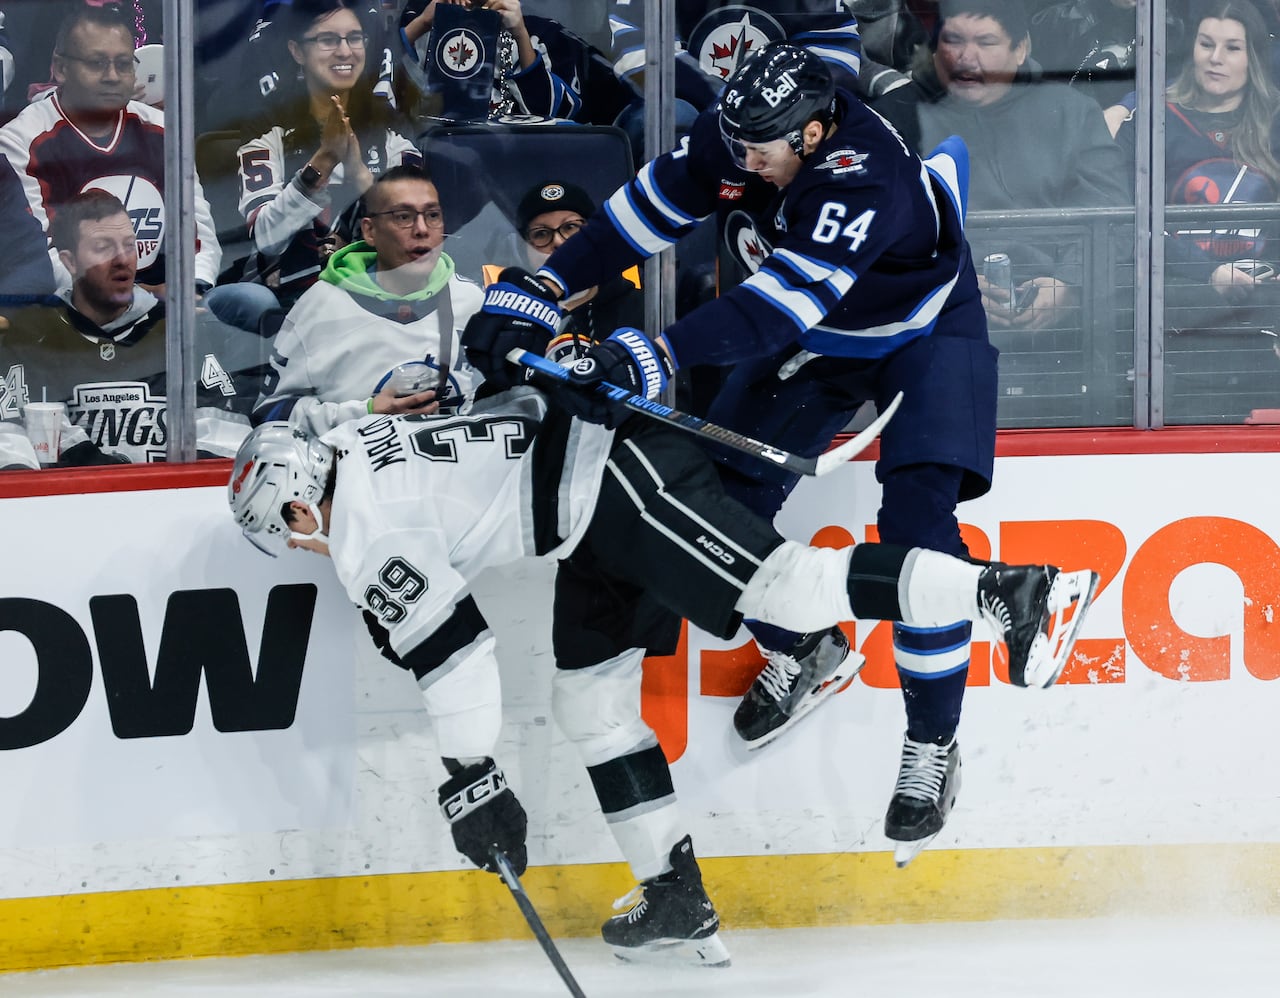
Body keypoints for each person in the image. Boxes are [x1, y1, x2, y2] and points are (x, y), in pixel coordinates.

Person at [227, 393, 1098, 963]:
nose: (301, 545)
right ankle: (674, 894)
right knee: (590, 701)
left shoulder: (364, 535)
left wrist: (469, 777)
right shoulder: (347, 438)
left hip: (619, 480)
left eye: (291, 530)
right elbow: (305, 408)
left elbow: (459, 666)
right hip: (588, 514)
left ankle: (1014, 592)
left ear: (304, 506)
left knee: (789, 589)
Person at [462, 40, 1047, 868]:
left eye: (760, 150)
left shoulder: (862, 173)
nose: (742, 161)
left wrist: (648, 354)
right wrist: (544, 286)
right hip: (818, 333)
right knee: (716, 504)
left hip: (924, 330)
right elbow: (638, 215)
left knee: (917, 526)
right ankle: (806, 645)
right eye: (735, 143)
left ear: (812, 135)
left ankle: (933, 744)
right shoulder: (745, 132)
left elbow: (775, 309)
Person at [870, 0, 1131, 332]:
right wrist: (950, 284)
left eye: (986, 42)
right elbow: (874, 227)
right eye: (953, 41)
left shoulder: (1073, 113)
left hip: (1061, 327)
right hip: (936, 323)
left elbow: (1112, 215)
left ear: (1020, 48)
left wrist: (1072, 285)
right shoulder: (890, 119)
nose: (966, 57)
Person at [0, 190, 262, 468]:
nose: (122, 259)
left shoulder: (182, 332)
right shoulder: (34, 334)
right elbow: (19, 446)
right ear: (70, 262)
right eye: (103, 248)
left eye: (129, 245)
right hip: (72, 507)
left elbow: (226, 441)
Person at [0, 4, 222, 297]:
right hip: (73, 315)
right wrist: (139, 296)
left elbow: (198, 236)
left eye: (124, 64)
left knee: (241, 302)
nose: (113, 76)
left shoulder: (163, 129)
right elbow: (39, 259)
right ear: (61, 68)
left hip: (170, 306)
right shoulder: (20, 140)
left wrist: (194, 288)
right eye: (97, 63)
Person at [224, 0, 421, 323]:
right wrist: (324, 161)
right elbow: (266, 237)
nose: (345, 51)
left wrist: (359, 174)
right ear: (297, 51)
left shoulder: (389, 126)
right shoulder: (267, 125)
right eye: (328, 40)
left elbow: (413, 231)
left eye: (354, 38)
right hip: (288, 300)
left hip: (378, 293)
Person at [252, 165, 481, 432]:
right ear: (370, 231)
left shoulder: (472, 301)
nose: (422, 229)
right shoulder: (320, 307)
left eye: (432, 215)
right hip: (350, 471)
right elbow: (268, 415)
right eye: (404, 216)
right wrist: (365, 414)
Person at [1113, 1, 1280, 332]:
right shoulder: (1149, 120)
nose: (1215, 57)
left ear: (1254, 59)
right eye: (1206, 44)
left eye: (1232, 48)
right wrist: (1206, 272)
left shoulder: (1275, 122)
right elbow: (1125, 221)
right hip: (1174, 301)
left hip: (1265, 302)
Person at [510, 180, 644, 357]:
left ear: (594, 236)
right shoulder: (514, 321)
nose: (558, 241)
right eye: (541, 233)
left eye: (571, 227)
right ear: (524, 249)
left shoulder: (644, 310)